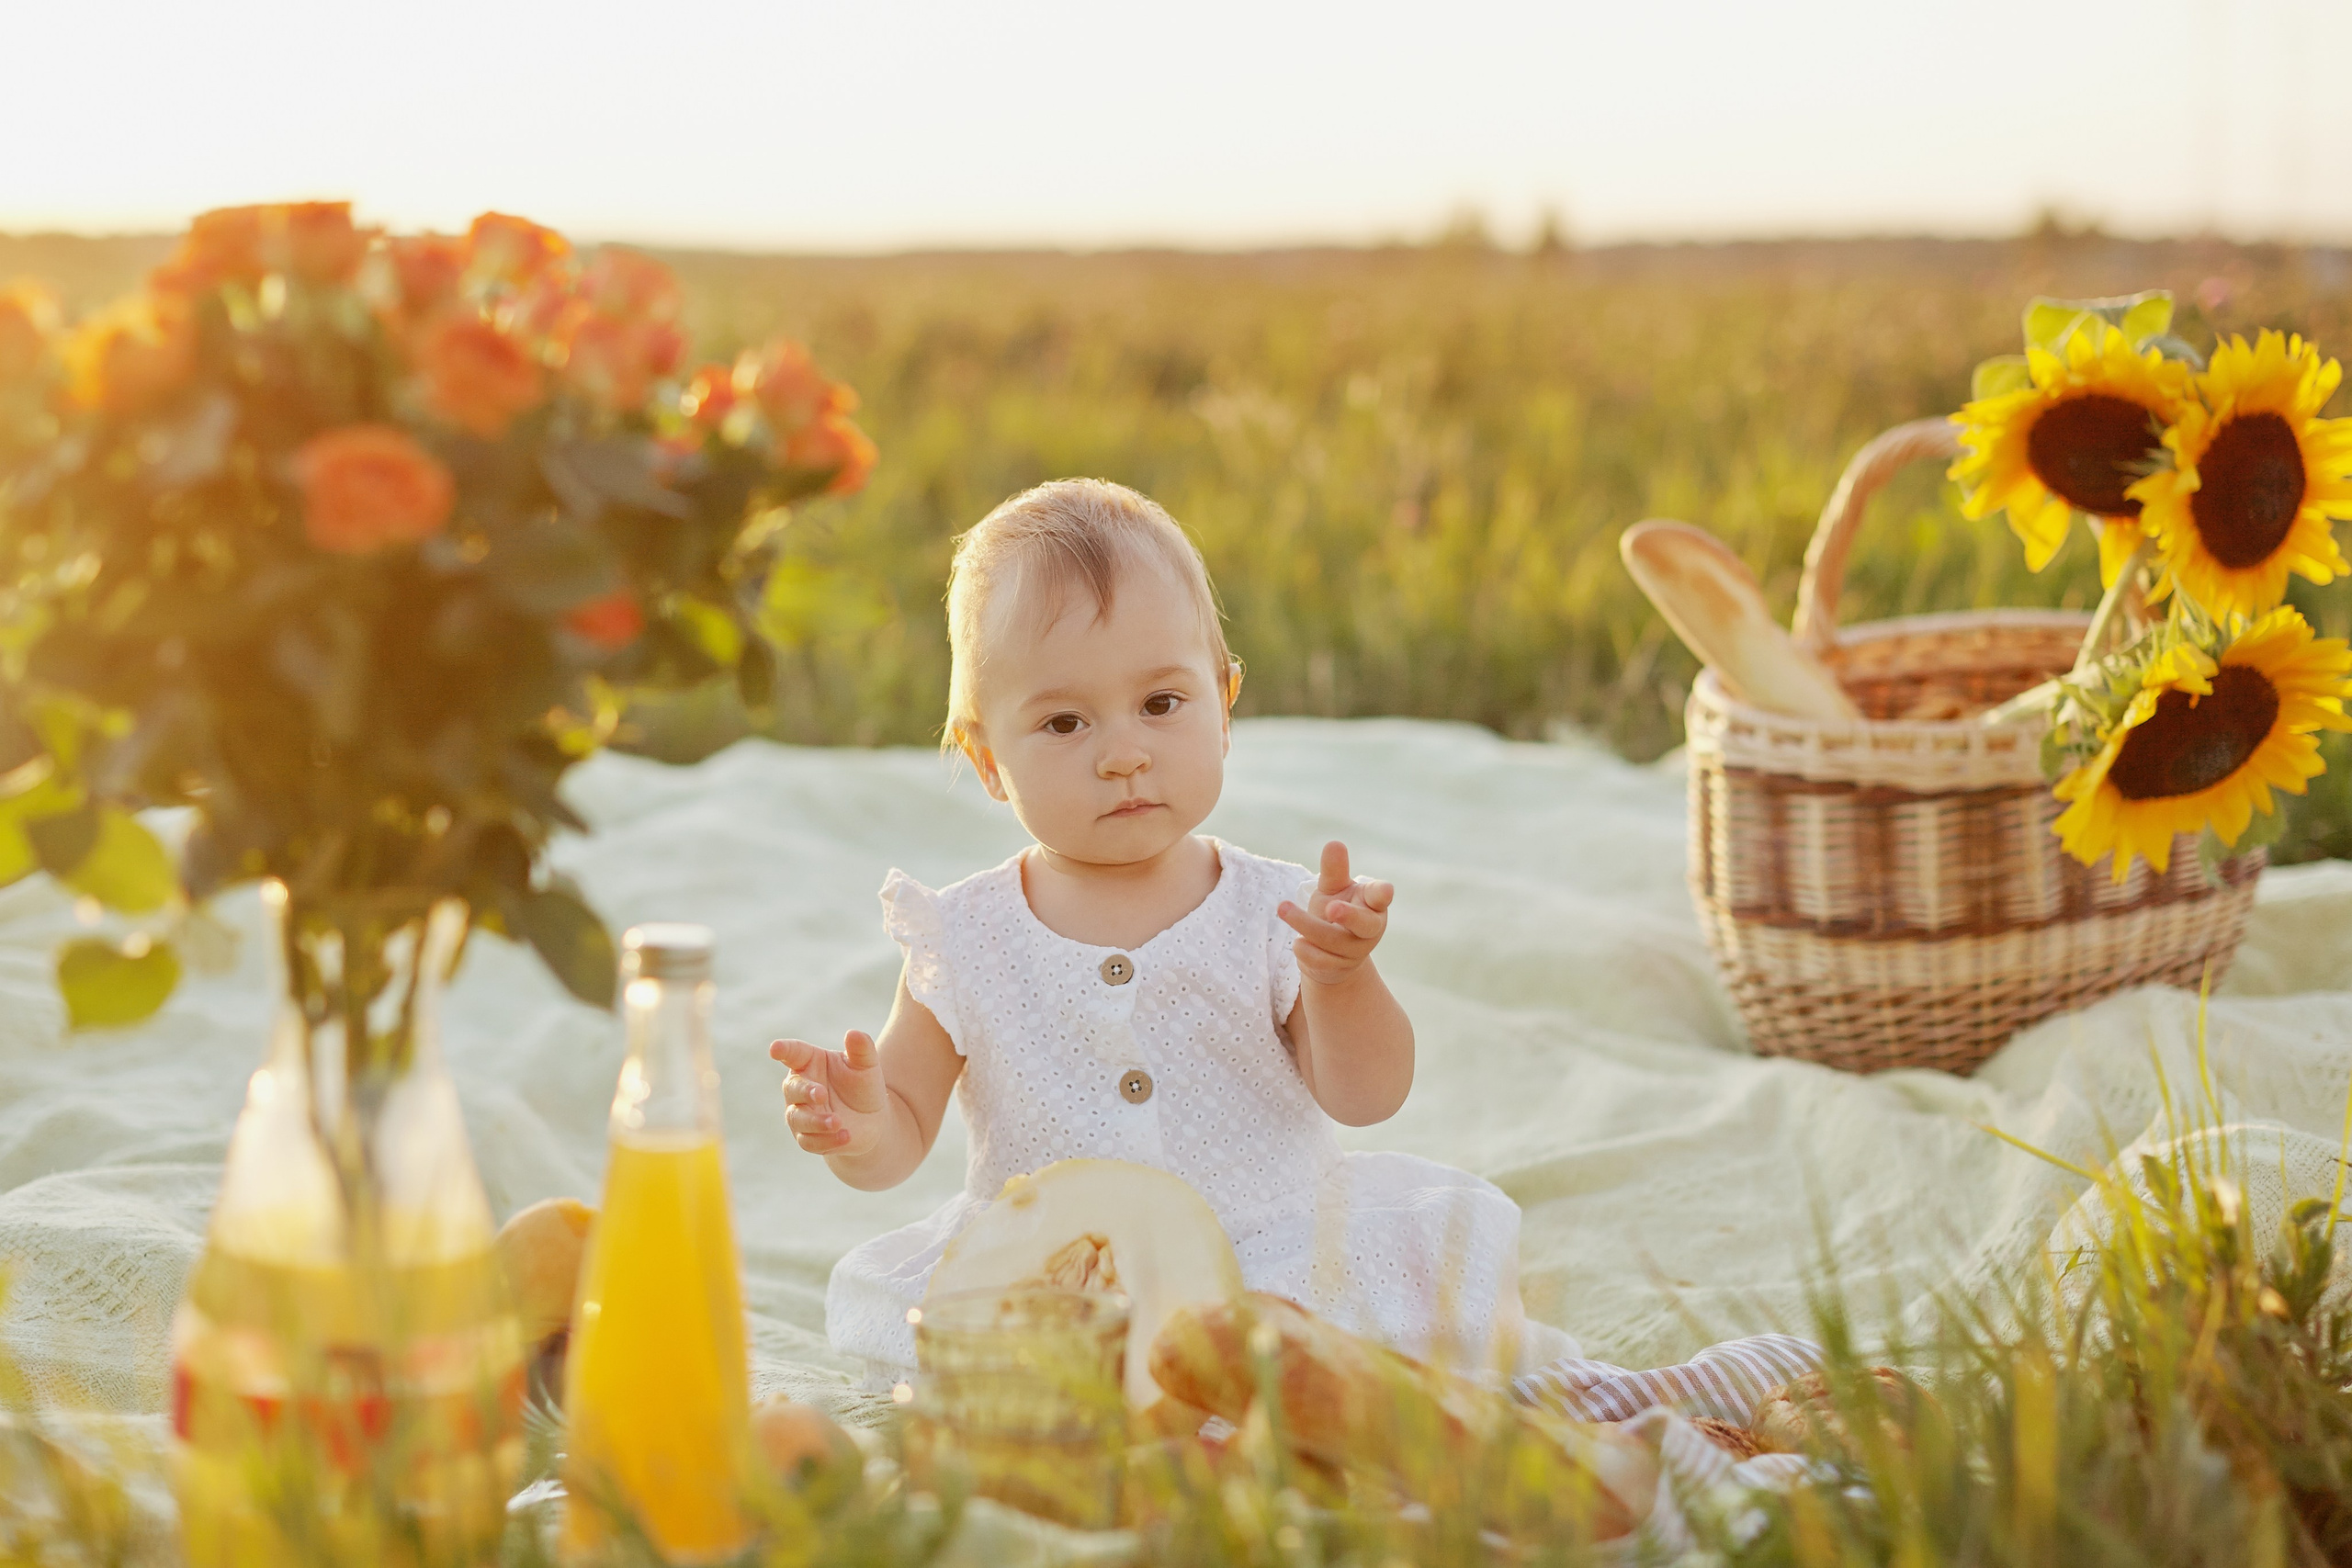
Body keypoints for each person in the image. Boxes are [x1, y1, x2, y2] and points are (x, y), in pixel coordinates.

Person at [774, 478, 1571, 1386]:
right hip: (1061, 1286)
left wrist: (1341, 981)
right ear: (988, 760)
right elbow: (903, 1130)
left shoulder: (1274, 914)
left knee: (1361, 1354)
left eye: (1161, 704)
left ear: (1223, 705)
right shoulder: (961, 937)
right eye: (1064, 721)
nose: (1123, 753)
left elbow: (1367, 1097)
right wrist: (863, 1123)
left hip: (1268, 1256)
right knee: (1020, 1391)